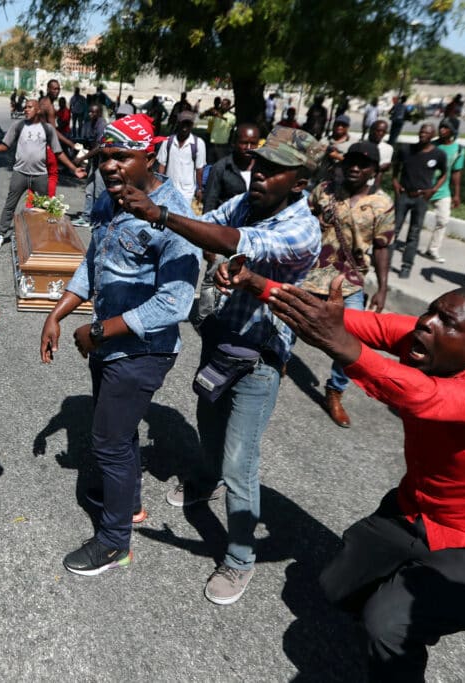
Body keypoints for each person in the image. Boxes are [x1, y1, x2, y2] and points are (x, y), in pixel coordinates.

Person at [263, 280, 465, 681]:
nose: (426, 323)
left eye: (445, 321)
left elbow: (427, 397)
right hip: (417, 507)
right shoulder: (434, 340)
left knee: (389, 623)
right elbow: (352, 321)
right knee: (334, 587)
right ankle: (393, 590)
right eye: (429, 311)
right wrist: (256, 285)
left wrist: (342, 347)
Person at [117, 125, 324, 605]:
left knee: (240, 460)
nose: (260, 175)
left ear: (299, 181)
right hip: (219, 341)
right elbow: (208, 228)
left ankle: (239, 557)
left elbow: (232, 237)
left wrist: (162, 213)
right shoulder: (249, 201)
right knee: (207, 424)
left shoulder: (300, 228)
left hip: (258, 359)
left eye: (275, 171)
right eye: (260, 165)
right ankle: (203, 480)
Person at [39, 113, 200, 575]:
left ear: (148, 157)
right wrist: (57, 313)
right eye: (104, 156)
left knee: (108, 441)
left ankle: (115, 542)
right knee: (120, 430)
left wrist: (98, 331)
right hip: (105, 344)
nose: (109, 166)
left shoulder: (175, 216)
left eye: (121, 157)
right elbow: (94, 262)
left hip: (142, 351)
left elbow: (175, 303)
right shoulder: (112, 201)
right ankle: (127, 502)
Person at [302, 141, 394, 427]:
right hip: (310, 273)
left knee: (353, 341)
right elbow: (300, 220)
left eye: (363, 164)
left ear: (374, 171)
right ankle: (276, 361)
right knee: (288, 321)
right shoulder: (325, 191)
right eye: (351, 161)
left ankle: (335, 391)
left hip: (350, 281)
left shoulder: (382, 204)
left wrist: (382, 287)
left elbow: (381, 247)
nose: (355, 168)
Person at [0, 98, 85, 250]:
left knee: (44, 208)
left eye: (30, 107)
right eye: (25, 107)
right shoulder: (18, 126)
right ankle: (1, 234)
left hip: (40, 175)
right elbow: (4, 146)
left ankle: (42, 236)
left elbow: (58, 153)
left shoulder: (47, 129)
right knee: (10, 205)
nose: (26, 109)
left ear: (38, 110)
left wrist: (74, 169)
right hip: (20, 173)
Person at [197, 123, 261, 323]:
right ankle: (205, 319)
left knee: (243, 278)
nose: (249, 147)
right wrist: (208, 242)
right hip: (224, 235)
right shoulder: (222, 167)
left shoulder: (263, 168)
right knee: (213, 277)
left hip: (253, 237)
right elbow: (210, 203)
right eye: (244, 143)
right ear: (235, 143)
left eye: (253, 143)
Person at [391, 123, 447, 278]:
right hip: (404, 195)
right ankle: (385, 262)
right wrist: (395, 183)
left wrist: (434, 189)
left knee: (414, 233)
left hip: (421, 198)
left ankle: (406, 266)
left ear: (432, 135)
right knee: (393, 230)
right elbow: (395, 168)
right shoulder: (406, 149)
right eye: (421, 131)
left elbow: (444, 174)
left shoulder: (438, 154)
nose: (423, 134)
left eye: (427, 132)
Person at [420, 119, 465, 263]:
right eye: (441, 127)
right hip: (424, 188)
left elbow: (456, 172)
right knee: (417, 218)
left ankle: (432, 250)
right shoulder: (431, 145)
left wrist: (457, 194)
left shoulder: (458, 150)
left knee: (443, 220)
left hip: (442, 190)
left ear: (453, 131)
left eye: (446, 128)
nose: (442, 130)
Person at [157, 111, 206, 206]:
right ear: (178, 123)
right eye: (183, 123)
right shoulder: (167, 142)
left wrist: (199, 189)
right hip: (168, 189)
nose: (185, 127)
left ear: (192, 125)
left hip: (187, 192)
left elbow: (199, 169)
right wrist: (160, 186)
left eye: (188, 124)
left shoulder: (198, 144)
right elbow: (161, 165)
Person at [319, 114, 352, 183]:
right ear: (333, 125)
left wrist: (338, 156)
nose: (339, 127)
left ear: (348, 127)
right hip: (321, 179)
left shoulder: (352, 144)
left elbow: (353, 164)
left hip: (340, 181)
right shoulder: (324, 140)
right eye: (337, 124)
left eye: (343, 125)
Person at [206, 98, 236, 164]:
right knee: (209, 166)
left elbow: (229, 121)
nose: (222, 106)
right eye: (221, 104)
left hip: (222, 147)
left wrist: (219, 115)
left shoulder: (232, 117)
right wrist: (209, 111)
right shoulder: (215, 115)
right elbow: (203, 117)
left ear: (228, 106)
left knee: (221, 166)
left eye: (224, 105)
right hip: (212, 145)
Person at [367, 119, 394, 192]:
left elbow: (381, 171)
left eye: (383, 131)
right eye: (378, 130)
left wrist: (375, 188)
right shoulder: (361, 145)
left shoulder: (388, 149)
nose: (380, 133)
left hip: (373, 184)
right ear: (371, 130)